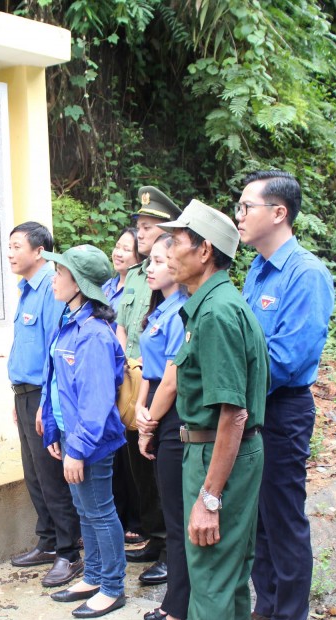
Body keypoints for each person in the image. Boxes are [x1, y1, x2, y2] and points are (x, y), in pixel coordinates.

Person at [159, 199, 269, 620]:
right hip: (213, 452)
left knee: (208, 583)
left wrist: (209, 496)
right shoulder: (210, 306)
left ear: (204, 252)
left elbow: (233, 413)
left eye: (176, 242)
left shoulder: (218, 314)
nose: (165, 250)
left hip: (218, 455)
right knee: (226, 581)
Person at [236, 171, 334, 620]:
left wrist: (233, 383)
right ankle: (270, 605)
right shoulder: (257, 268)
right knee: (257, 515)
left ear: (278, 213)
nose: (239, 215)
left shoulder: (306, 274)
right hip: (252, 405)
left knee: (283, 515)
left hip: (282, 408)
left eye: (246, 206)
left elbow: (289, 357)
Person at [39, 245, 129, 619]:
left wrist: (77, 449)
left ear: (79, 284)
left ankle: (112, 586)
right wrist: (54, 430)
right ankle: (92, 574)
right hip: (72, 436)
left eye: (60, 273)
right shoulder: (70, 323)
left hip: (89, 442)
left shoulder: (92, 333)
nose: (54, 278)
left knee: (100, 510)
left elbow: (96, 403)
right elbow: (57, 383)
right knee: (84, 509)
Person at [6, 221, 84, 588]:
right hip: (24, 393)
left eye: (17, 246)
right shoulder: (26, 290)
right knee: (34, 474)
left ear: (39, 251)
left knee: (52, 477)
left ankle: (69, 553)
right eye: (10, 246)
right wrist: (19, 398)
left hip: (42, 395)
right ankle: (48, 541)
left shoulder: (50, 291)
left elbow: (55, 351)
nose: (10, 253)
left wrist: (44, 405)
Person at [116, 186, 182, 585]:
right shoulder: (140, 277)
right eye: (138, 227)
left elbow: (171, 363)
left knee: (163, 470)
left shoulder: (180, 293)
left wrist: (149, 405)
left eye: (148, 227)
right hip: (138, 380)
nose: (140, 235)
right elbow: (126, 324)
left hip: (160, 386)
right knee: (141, 467)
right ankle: (156, 537)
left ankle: (171, 548)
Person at [133, 234, 190, 620]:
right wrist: (140, 409)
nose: (150, 268)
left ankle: (180, 607)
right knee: (171, 512)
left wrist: (148, 422)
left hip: (171, 418)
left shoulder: (182, 311)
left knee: (178, 516)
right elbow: (148, 371)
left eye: (158, 260)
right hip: (155, 412)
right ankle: (174, 601)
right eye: (149, 261)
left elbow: (170, 379)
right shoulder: (160, 310)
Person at [102, 227, 143, 543]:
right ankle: (119, 515)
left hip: (131, 375)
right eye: (117, 246)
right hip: (108, 374)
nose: (118, 252)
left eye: (126, 249)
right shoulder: (106, 287)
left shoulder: (141, 286)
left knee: (131, 449)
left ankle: (136, 520)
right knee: (115, 452)